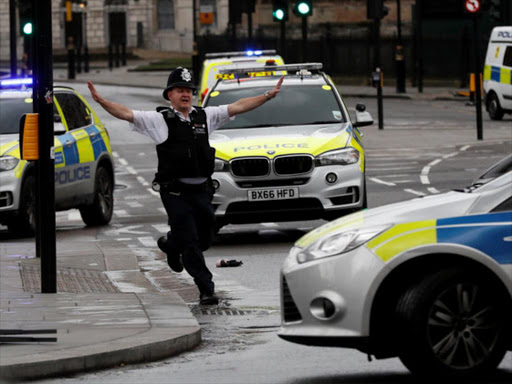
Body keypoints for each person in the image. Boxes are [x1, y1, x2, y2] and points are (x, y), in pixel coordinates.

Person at [87, 67, 283, 305]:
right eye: (180, 90)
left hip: (202, 190)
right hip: (175, 193)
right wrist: (101, 101)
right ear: (169, 94)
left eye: (189, 91)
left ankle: (171, 245)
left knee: (205, 236)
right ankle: (206, 289)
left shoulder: (205, 116)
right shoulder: (159, 120)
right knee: (190, 242)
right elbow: (126, 113)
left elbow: (238, 106)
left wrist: (267, 96)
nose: (185, 95)